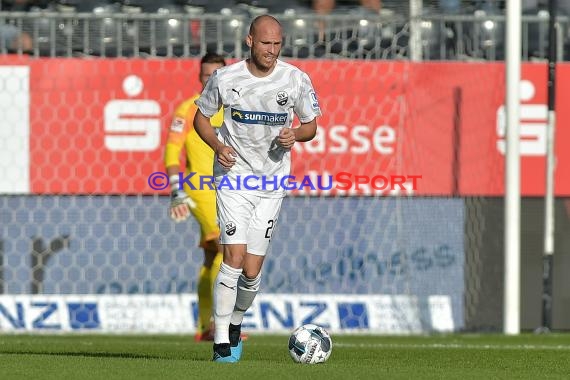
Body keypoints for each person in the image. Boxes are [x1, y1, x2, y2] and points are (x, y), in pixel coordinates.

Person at [193, 14, 321, 363]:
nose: (272, 50)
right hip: (234, 178)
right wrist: (218, 147)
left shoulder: (295, 79)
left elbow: (310, 125)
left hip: (272, 181)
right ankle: (220, 340)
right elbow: (201, 119)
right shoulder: (226, 77)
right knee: (232, 257)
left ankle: (235, 321)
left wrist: (295, 134)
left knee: (252, 270)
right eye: (266, 43)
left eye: (278, 44)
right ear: (250, 41)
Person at [164, 52, 226, 342]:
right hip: (199, 188)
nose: (210, 80)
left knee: (212, 255)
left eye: (216, 75)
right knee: (226, 249)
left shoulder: (235, 108)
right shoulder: (188, 109)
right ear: (199, 77)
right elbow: (171, 151)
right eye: (205, 75)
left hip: (230, 188)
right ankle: (219, 324)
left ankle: (204, 327)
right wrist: (176, 190)